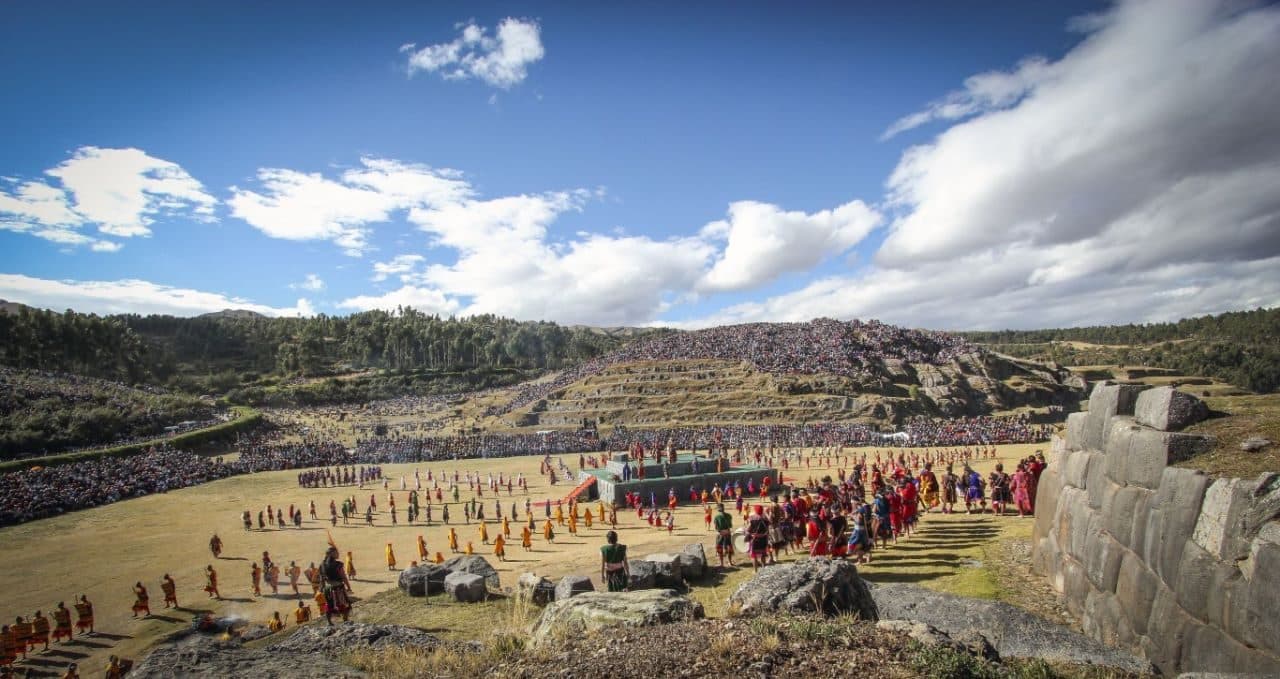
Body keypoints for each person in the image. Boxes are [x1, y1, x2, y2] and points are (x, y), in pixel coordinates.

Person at [321, 546, 352, 625]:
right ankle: (345, 620)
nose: (338, 554)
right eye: (336, 552)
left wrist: (323, 588)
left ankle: (329, 622)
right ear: (332, 554)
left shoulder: (322, 564)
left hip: (327, 588)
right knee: (344, 603)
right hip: (337, 588)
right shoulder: (338, 564)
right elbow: (343, 577)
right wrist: (348, 587)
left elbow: (322, 578)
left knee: (329, 604)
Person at [745, 505, 770, 570]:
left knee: (754, 556)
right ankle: (763, 569)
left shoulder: (751, 518)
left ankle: (755, 570)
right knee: (763, 555)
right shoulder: (765, 519)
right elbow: (767, 529)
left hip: (754, 539)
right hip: (763, 539)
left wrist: (747, 534)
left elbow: (748, 529)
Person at [712, 503, 734, 568]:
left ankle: (722, 563)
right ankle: (730, 562)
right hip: (727, 533)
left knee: (719, 548)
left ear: (718, 509)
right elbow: (730, 525)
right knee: (729, 547)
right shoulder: (729, 515)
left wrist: (721, 531)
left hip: (720, 534)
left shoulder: (716, 517)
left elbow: (716, 527)